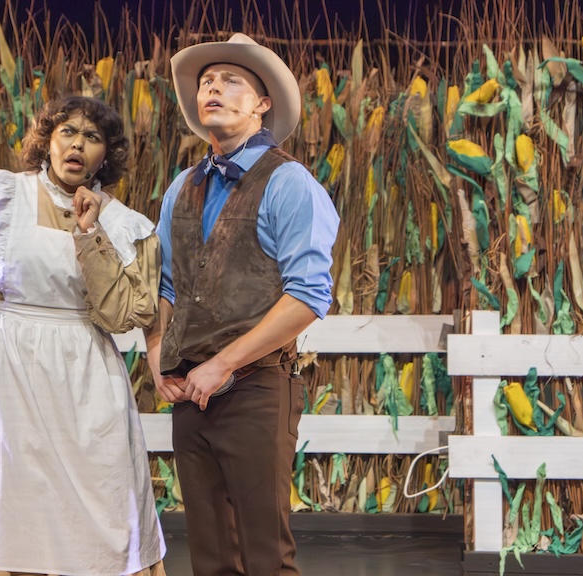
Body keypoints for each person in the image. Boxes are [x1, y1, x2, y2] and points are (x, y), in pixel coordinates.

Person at [0, 95, 166, 576]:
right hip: (6, 367)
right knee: (4, 500)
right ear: (47, 141)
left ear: (105, 155)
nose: (78, 145)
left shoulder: (125, 224)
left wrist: (90, 234)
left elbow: (125, 313)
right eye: (68, 132)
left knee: (101, 503)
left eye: (92, 137)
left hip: (86, 369)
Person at [146, 33, 340, 575]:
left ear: (261, 103)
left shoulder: (288, 182)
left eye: (231, 80)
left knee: (264, 554)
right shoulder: (183, 187)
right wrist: (158, 352)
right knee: (211, 555)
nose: (213, 87)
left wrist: (224, 363)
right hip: (191, 392)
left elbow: (307, 296)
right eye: (207, 81)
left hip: (256, 387)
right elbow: (165, 285)